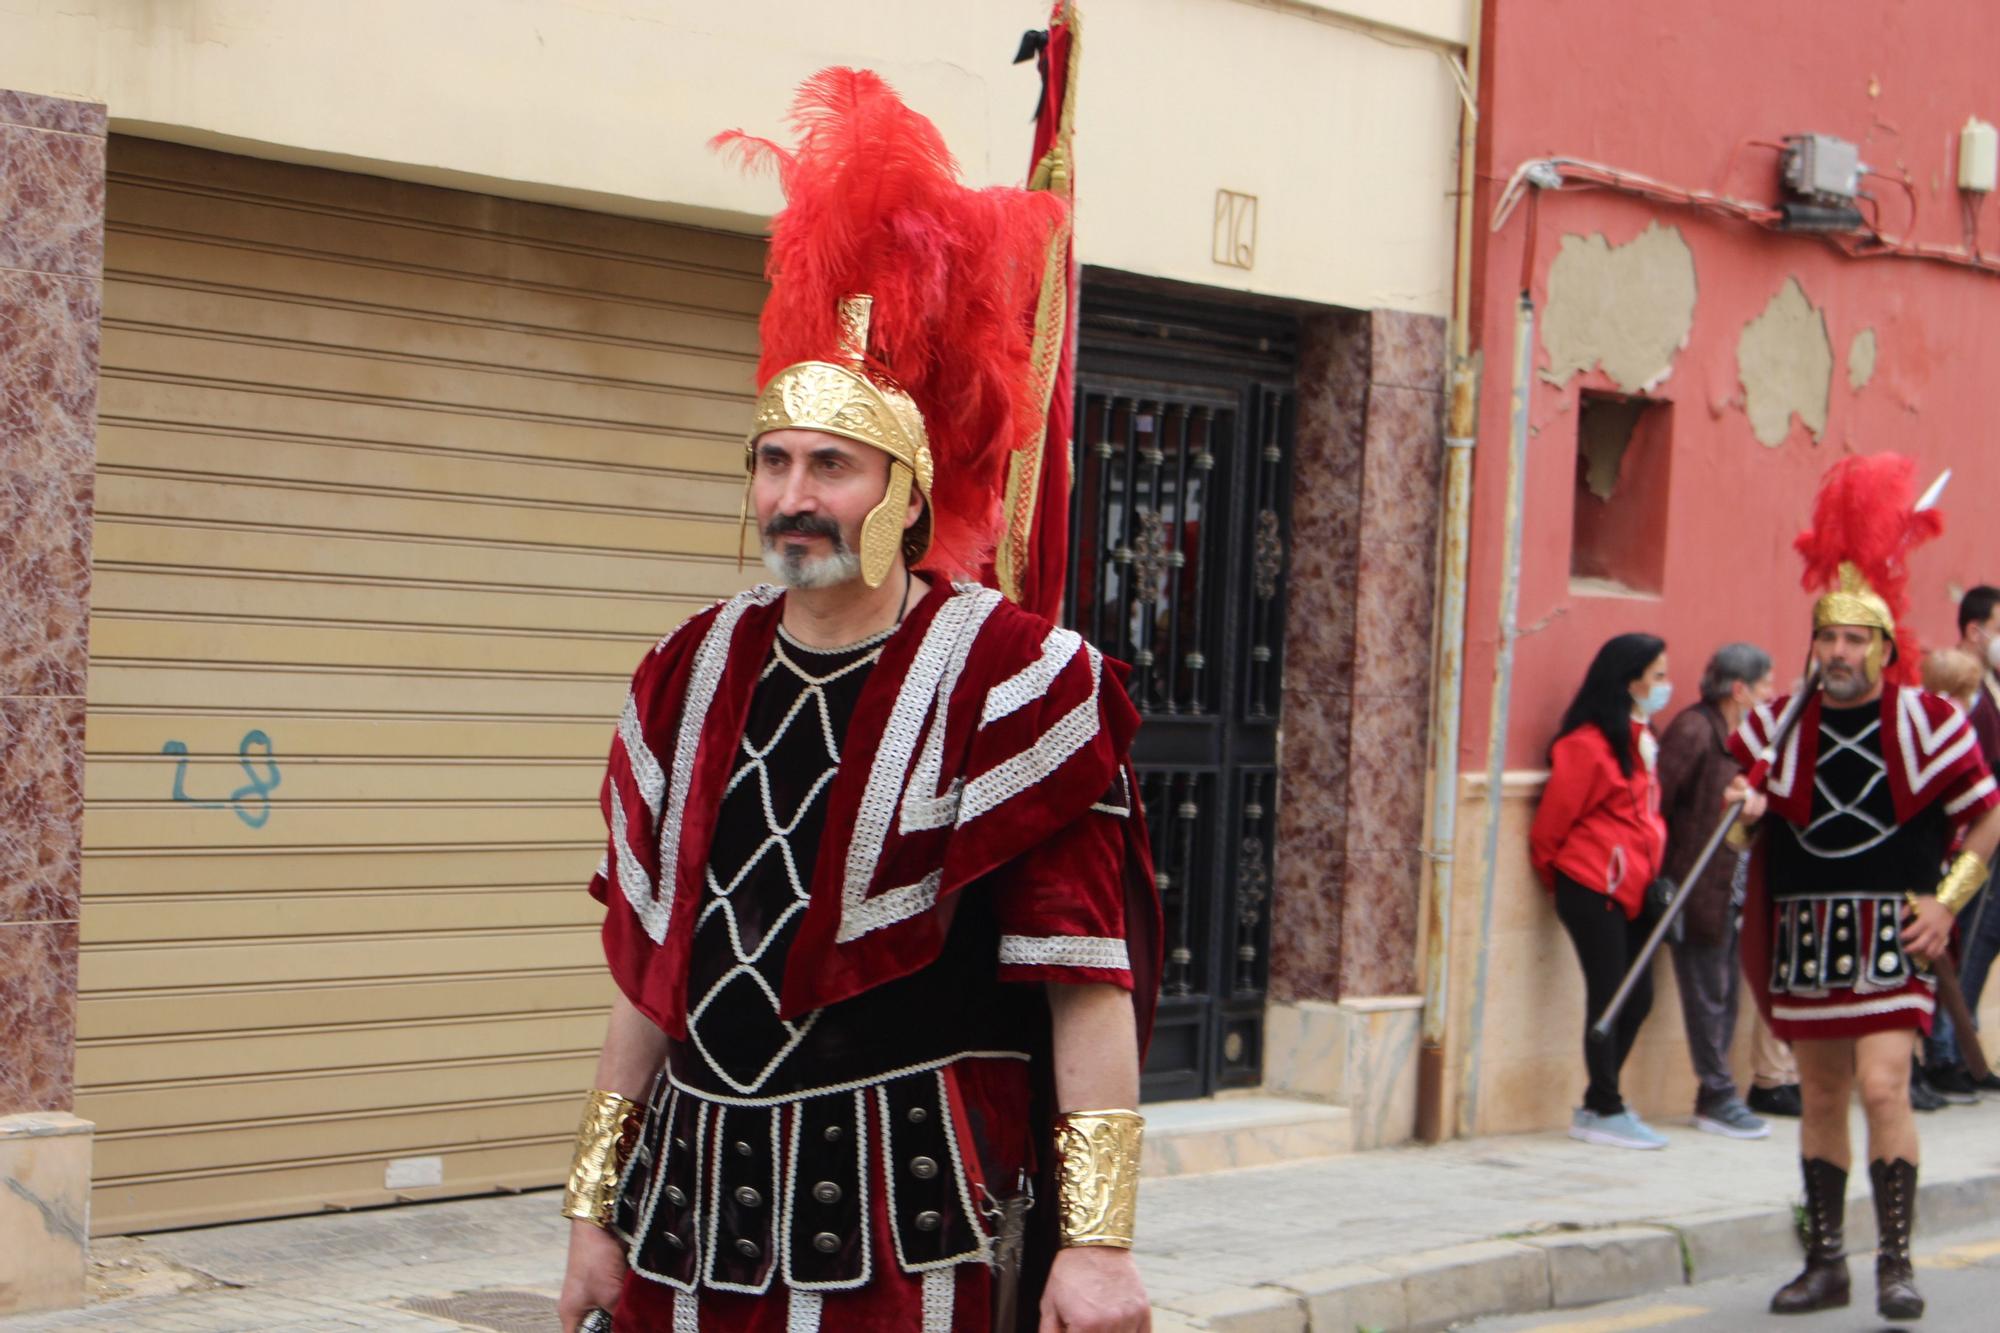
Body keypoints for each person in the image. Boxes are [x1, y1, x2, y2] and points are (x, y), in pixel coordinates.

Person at [555, 70, 1161, 1333]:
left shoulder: (1016, 681)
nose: (793, 494)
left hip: (900, 1226)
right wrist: (588, 1206)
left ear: (904, 486)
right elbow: (645, 969)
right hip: (685, 1217)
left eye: (830, 464)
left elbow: (1083, 979)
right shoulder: (687, 668)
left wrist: (1096, 1247)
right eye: (772, 460)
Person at [1725, 454, 2000, 1320]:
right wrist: (1743, 810)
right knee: (1819, 1096)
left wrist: (1948, 899)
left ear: (1884, 646)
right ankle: (1827, 1262)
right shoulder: (1774, 726)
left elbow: (1989, 816)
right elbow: (1750, 831)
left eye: (1856, 639)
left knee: (1885, 1085)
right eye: (1827, 636)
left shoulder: (1928, 722)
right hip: (1808, 931)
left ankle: (1895, 1262)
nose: (1839, 652)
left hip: (1893, 931)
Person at [1531, 633, 1673, 1150]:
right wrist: (1560, 879)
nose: (1664, 686)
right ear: (1629, 680)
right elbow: (1551, 826)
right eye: (1657, 676)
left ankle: (1600, 1101)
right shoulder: (1585, 745)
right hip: (1592, 886)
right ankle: (1604, 1106)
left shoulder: (1642, 737)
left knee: (1638, 999)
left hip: (1636, 889)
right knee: (1610, 997)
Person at [1659, 643, 1775, 1140]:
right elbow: (1659, 800)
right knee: (1707, 993)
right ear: (1739, 688)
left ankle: (1716, 1094)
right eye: (1766, 685)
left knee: (1724, 993)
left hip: (1730, 886)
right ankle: (1718, 1091)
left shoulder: (1742, 737)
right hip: (1696, 884)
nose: (1770, 695)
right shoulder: (1693, 730)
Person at [1922, 594, 2000, 1098]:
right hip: (1956, 848)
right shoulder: (1952, 700)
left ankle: (1960, 1050)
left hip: (1982, 844)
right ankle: (1943, 1057)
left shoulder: (1987, 693)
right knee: (1953, 950)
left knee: (1976, 946)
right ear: (1975, 630)